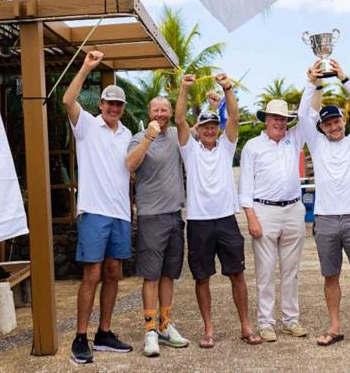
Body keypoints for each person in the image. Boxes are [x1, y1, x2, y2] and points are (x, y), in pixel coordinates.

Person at [175, 72, 262, 349]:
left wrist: (227, 89)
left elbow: (234, 118)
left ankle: (246, 327)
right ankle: (209, 330)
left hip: (226, 219)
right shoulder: (189, 149)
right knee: (202, 277)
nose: (210, 130)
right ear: (197, 130)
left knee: (237, 274)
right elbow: (178, 120)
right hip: (199, 221)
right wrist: (184, 89)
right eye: (205, 126)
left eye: (214, 125)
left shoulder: (226, 147)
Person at [298, 59, 350, 350]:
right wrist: (312, 82)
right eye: (327, 123)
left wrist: (344, 79)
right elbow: (302, 115)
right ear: (322, 127)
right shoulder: (316, 144)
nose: (333, 126)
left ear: (344, 121)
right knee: (330, 276)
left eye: (336, 121)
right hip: (326, 219)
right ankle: (334, 327)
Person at [62, 50, 134, 364]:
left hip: (119, 212)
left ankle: (104, 333)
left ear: (122, 108)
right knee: (91, 273)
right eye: (109, 103)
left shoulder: (129, 134)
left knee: (114, 272)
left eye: (119, 104)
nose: (114, 108)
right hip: (93, 210)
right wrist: (86, 67)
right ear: (100, 104)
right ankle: (81, 336)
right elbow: (66, 100)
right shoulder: (87, 126)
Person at [239, 98, 312, 342]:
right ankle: (266, 322)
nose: (279, 122)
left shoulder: (294, 139)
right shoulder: (252, 146)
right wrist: (251, 218)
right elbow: (245, 187)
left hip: (293, 209)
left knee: (291, 271)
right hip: (264, 211)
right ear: (266, 119)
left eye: (283, 118)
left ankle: (291, 320)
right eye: (275, 118)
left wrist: (313, 82)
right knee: (265, 272)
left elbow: (307, 111)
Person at [125, 96, 190, 357]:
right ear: (149, 112)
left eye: (164, 110)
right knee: (151, 275)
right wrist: (148, 138)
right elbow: (130, 164)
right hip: (151, 216)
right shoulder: (138, 137)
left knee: (169, 274)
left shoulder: (176, 134)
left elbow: (195, 129)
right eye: (156, 110)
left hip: (175, 214)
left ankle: (164, 325)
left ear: (170, 112)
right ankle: (150, 330)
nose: (160, 114)